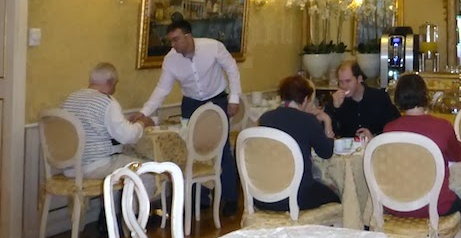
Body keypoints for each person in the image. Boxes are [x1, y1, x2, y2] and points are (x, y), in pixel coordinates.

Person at [140, 19, 242, 216]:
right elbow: (162, 89)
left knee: (221, 150)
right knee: (191, 151)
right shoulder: (171, 59)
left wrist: (235, 97)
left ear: (188, 37)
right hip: (191, 104)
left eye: (176, 40)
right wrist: (144, 112)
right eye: (171, 41)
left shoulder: (213, 47)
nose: (173, 45)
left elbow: (231, 68)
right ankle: (200, 198)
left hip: (217, 101)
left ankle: (230, 199)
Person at [379, 72, 461, 221]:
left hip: (395, 204)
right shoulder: (442, 127)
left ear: (398, 98)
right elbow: (458, 156)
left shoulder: (389, 129)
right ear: (425, 95)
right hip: (435, 205)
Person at [255, 75, 340, 212]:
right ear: (306, 99)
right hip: (297, 195)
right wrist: (327, 121)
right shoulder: (308, 121)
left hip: (264, 195)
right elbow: (326, 152)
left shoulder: (265, 118)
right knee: (337, 197)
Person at [59, 62, 156, 179]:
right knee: (149, 172)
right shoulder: (107, 102)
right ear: (110, 82)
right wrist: (143, 123)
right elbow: (127, 137)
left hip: (70, 168)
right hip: (96, 166)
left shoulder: (70, 99)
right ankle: (124, 197)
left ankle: (107, 197)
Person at [325, 60, 400, 138]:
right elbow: (330, 133)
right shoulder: (335, 100)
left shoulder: (379, 97)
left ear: (359, 79)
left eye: (348, 81)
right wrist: (334, 109)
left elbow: (393, 127)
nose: (344, 86)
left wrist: (374, 137)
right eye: (341, 82)